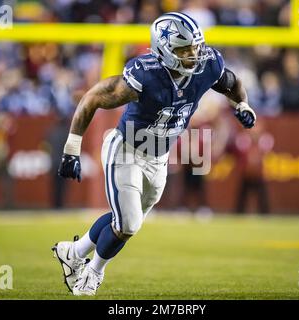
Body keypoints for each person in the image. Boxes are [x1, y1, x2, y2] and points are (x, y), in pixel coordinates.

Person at [53, 12, 256, 296]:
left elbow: (232, 84)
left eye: (195, 46)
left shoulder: (208, 64)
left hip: (159, 157)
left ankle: (72, 251)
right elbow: (93, 98)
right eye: (184, 49)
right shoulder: (145, 73)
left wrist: (243, 106)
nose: (194, 55)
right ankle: (93, 271)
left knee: (123, 221)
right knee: (129, 222)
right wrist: (71, 148)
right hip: (126, 150)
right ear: (164, 50)